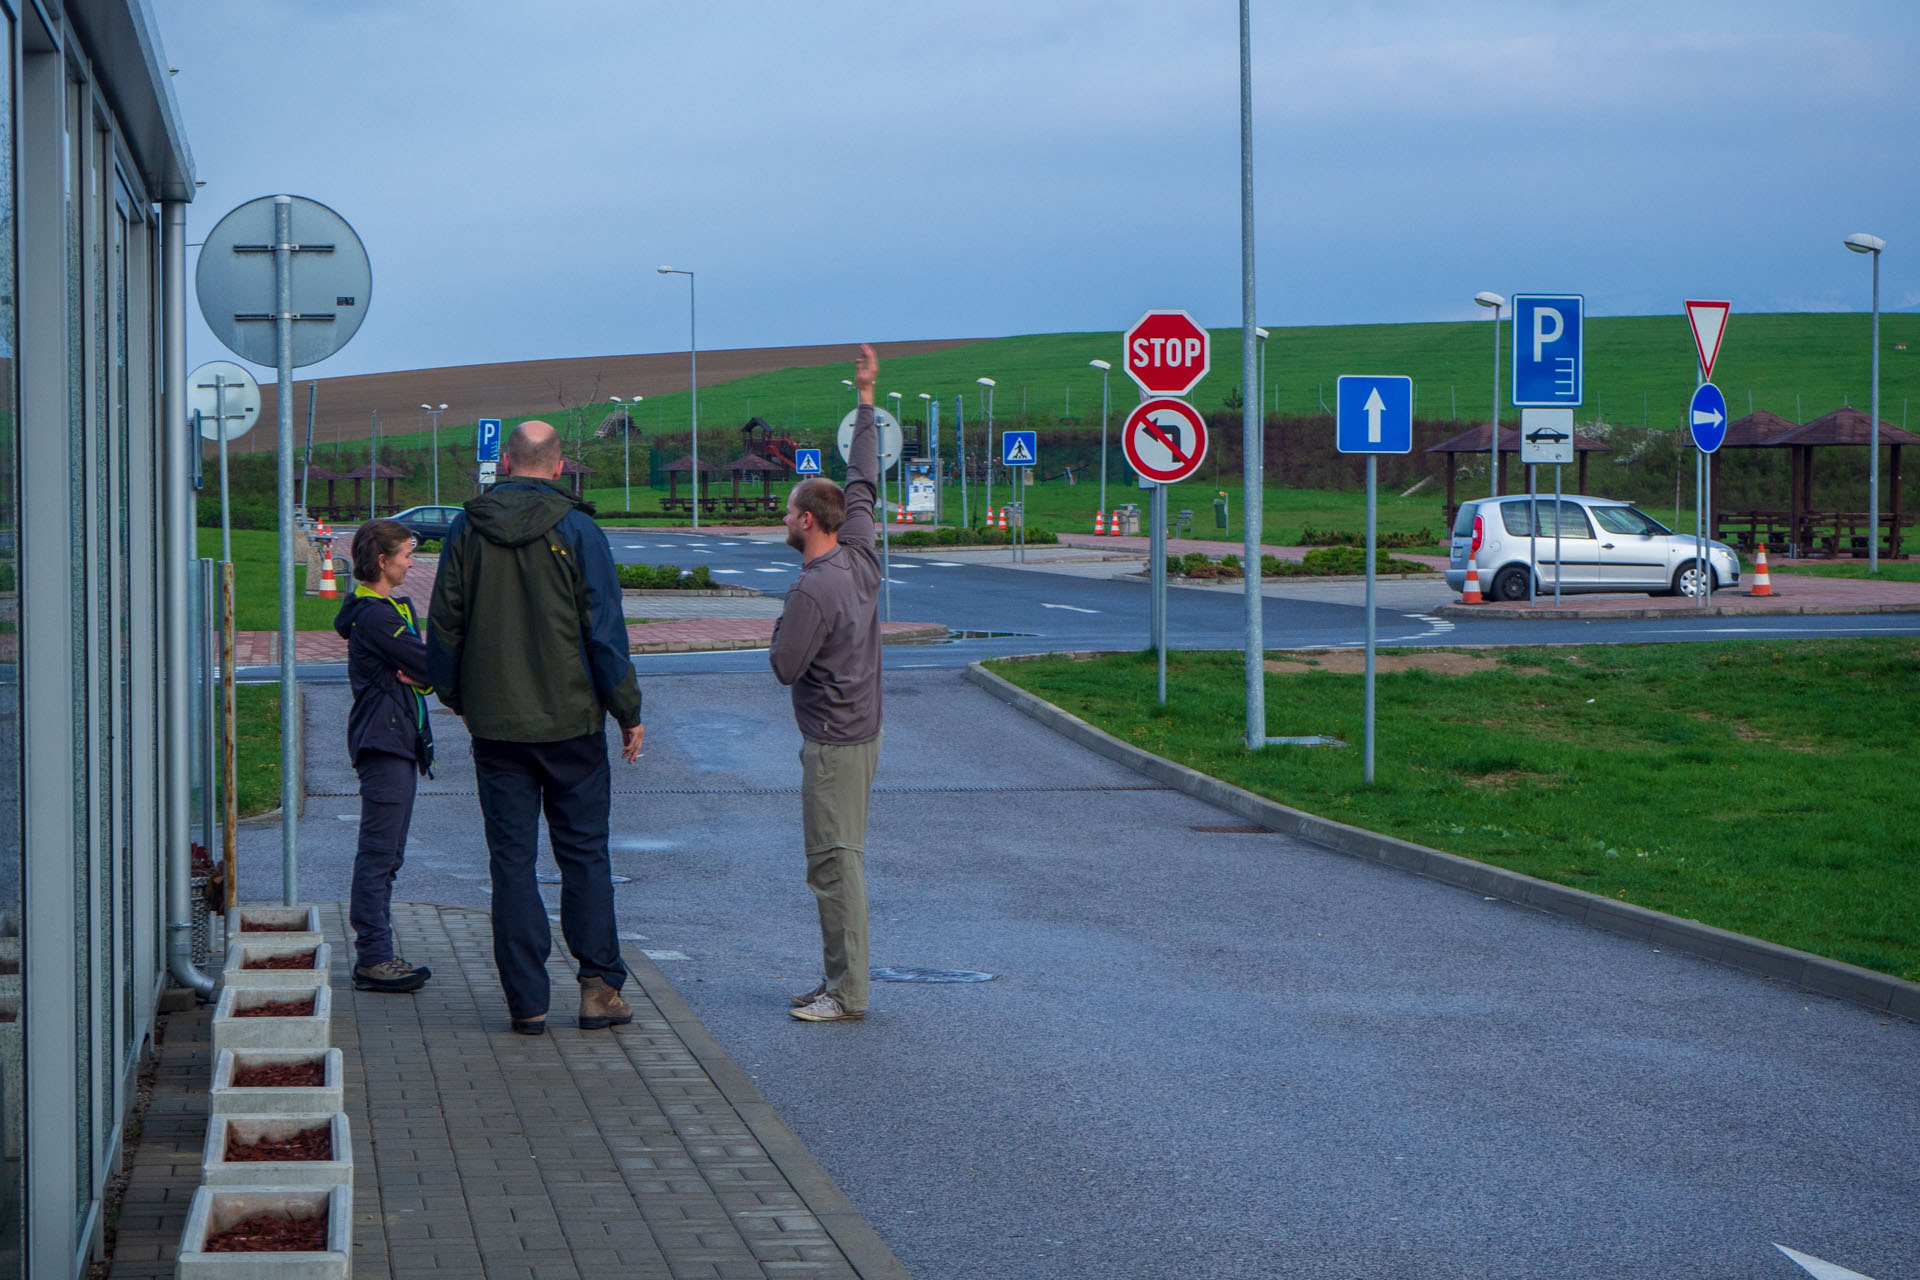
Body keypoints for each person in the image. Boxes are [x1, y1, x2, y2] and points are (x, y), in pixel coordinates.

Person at [426, 420, 645, 1035]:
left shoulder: (468, 527)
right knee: (584, 856)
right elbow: (605, 630)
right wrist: (627, 710)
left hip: (497, 727)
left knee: (512, 863)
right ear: (557, 467)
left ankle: (527, 1002)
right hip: (573, 722)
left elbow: (444, 622)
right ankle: (599, 989)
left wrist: (457, 695)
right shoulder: (579, 530)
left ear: (507, 463)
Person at [771, 344, 884, 1023]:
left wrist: (785, 623)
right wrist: (866, 398)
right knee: (839, 861)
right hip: (863, 734)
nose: (784, 521)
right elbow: (864, 481)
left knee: (835, 866)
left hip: (834, 743)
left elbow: (786, 666)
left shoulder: (813, 589)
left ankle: (847, 994)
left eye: (788, 513)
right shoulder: (862, 552)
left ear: (808, 521)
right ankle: (837, 982)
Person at [334, 518, 435, 994]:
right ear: (383, 561)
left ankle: (379, 954)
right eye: (406, 555)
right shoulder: (377, 615)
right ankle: (374, 957)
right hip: (384, 742)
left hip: (395, 740)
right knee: (379, 854)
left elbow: (423, 669)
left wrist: (425, 674)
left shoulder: (388, 608)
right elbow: (429, 663)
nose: (411, 563)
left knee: (389, 853)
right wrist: (427, 672)